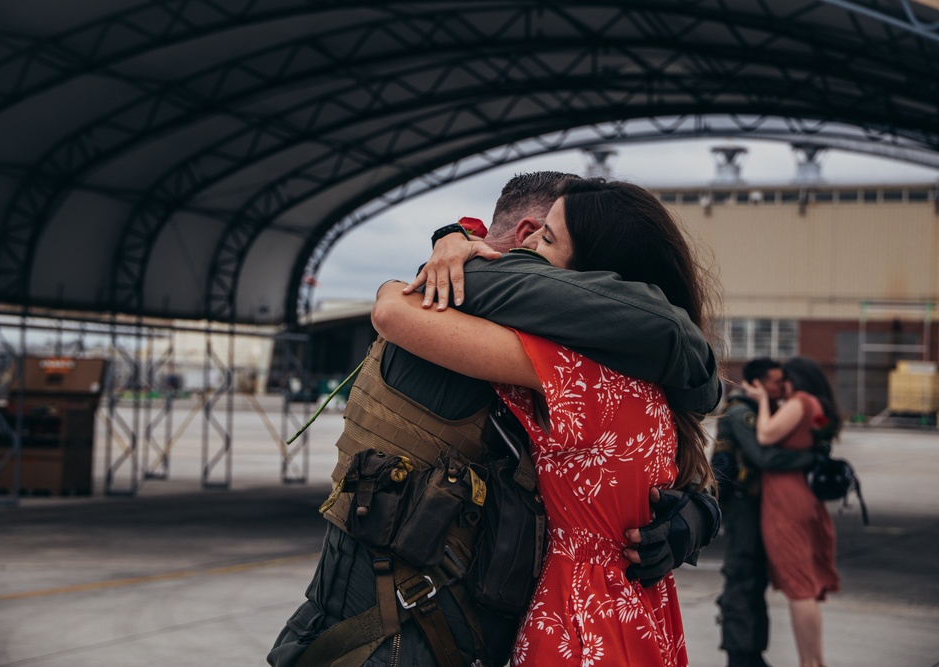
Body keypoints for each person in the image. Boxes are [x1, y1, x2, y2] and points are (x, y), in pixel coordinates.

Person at [268, 172, 722, 667]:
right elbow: (395, 313)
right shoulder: (477, 337)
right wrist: (428, 263)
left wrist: (697, 511)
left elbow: (642, 464)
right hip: (387, 642)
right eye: (541, 235)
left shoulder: (587, 366)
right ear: (526, 231)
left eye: (550, 238)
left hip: (499, 636)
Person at [712, 358, 818, 667]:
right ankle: (741, 654)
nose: (781, 387)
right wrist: (809, 457)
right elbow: (763, 457)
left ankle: (752, 650)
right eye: (775, 381)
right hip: (743, 507)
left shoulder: (759, 410)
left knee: (754, 578)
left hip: (755, 507)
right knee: (742, 576)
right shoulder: (741, 411)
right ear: (757, 383)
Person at [743, 357, 841, 667]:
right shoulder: (818, 407)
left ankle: (808, 664)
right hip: (805, 496)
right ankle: (816, 661)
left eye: (783, 380)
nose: (780, 387)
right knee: (805, 585)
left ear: (794, 379)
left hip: (786, 500)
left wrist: (760, 403)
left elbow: (765, 435)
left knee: (799, 587)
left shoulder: (800, 401)